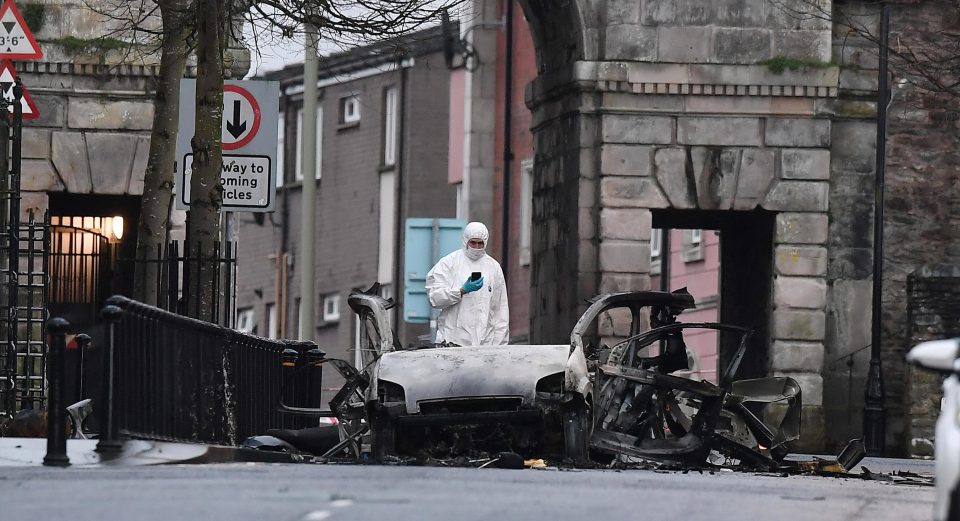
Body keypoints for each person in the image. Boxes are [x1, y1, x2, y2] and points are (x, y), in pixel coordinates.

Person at [425, 222, 509, 346]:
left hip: (485, 345)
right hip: (453, 343)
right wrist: (461, 291)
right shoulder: (449, 263)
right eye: (473, 242)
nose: (476, 247)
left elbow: (500, 310)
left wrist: (499, 346)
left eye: (480, 243)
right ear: (466, 241)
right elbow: (434, 297)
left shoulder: (493, 267)